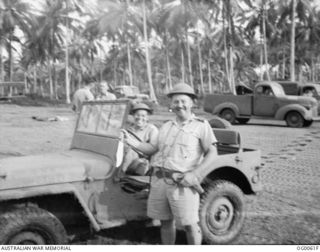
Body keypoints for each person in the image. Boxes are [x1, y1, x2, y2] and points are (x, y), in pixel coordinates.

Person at [133, 83, 217, 244]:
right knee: (165, 223)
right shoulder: (166, 126)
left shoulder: (201, 125)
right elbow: (152, 148)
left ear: (192, 103)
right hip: (160, 181)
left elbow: (212, 152)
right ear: (171, 105)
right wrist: (131, 142)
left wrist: (195, 174)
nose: (179, 105)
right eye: (175, 102)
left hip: (182, 184)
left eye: (183, 101)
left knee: (190, 225)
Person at [120, 103, 159, 176]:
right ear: (133, 116)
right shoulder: (129, 128)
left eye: (143, 116)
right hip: (124, 156)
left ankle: (120, 173)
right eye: (137, 115)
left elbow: (153, 149)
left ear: (147, 117)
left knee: (131, 152)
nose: (140, 118)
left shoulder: (152, 129)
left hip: (141, 161)